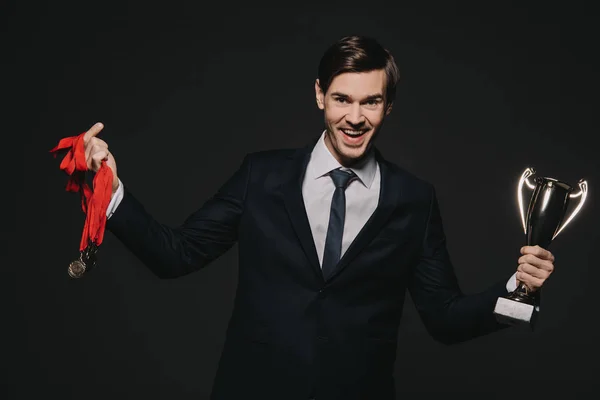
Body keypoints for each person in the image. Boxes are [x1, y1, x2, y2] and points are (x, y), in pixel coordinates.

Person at [82, 35, 555, 400]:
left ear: (388, 105)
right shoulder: (260, 176)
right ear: (319, 96)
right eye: (342, 99)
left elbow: (445, 319)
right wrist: (108, 187)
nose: (355, 117)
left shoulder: (414, 199)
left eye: (371, 101)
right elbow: (176, 254)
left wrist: (518, 289)